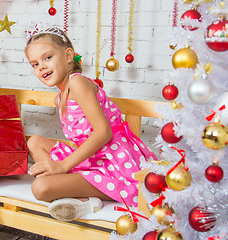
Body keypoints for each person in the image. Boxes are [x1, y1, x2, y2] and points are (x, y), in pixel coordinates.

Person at [24, 25, 158, 222]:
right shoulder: (59, 97)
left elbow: (104, 132)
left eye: (47, 58)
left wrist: (62, 165)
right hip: (92, 158)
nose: (41, 67)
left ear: (68, 55)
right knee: (34, 141)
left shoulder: (77, 83)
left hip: (112, 160)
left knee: (40, 187)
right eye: (34, 64)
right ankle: (85, 198)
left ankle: (88, 195)